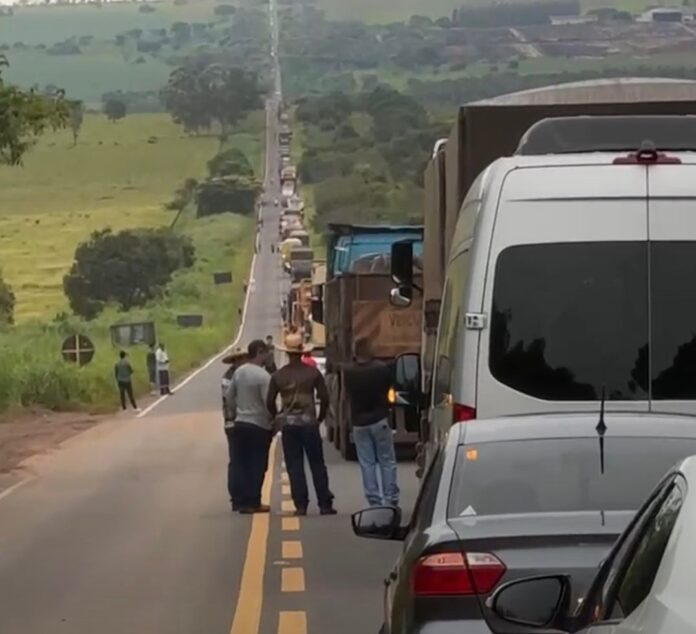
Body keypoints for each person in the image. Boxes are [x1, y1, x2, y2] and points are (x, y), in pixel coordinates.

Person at [267, 333, 336, 516]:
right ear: (302, 351)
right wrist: (320, 417)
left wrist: (278, 416)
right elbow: (324, 397)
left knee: (294, 465)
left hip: (289, 425)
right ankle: (324, 504)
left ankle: (301, 505)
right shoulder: (312, 373)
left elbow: (269, 401)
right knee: (317, 464)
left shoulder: (278, 376)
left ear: (287, 353)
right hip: (309, 424)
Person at [342, 338, 399, 508]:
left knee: (367, 463)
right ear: (370, 351)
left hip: (359, 423)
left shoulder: (349, 372)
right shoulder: (381, 369)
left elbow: (347, 395)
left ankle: (374, 500)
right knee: (387, 461)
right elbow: (389, 387)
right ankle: (390, 498)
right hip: (379, 419)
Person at [226, 340, 273, 514]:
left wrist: (236, 411)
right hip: (259, 425)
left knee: (240, 463)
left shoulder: (239, 372)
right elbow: (268, 402)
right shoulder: (263, 376)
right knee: (258, 464)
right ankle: (253, 501)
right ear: (260, 352)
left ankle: (240, 501)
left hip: (240, 423)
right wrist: (272, 419)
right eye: (266, 353)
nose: (268, 356)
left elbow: (229, 396)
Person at [223, 347, 248, 512]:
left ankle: (239, 497)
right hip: (236, 422)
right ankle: (238, 497)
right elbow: (231, 401)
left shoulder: (232, 376)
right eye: (242, 358)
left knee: (238, 461)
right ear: (236, 361)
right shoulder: (232, 378)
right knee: (239, 461)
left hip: (234, 423)